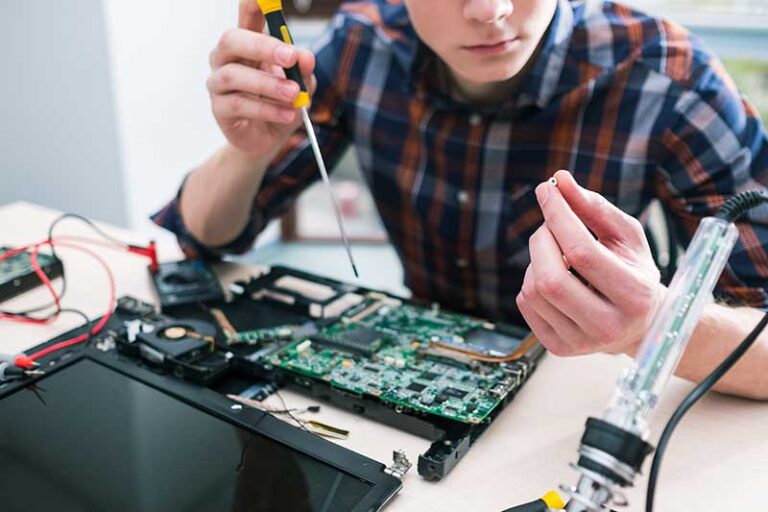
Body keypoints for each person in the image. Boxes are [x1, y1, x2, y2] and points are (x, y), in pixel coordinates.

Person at [153, 0, 768, 399]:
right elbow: (206, 237)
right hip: (415, 384)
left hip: (588, 400)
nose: (491, 11)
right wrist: (249, 150)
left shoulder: (670, 75)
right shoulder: (362, 43)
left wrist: (652, 325)